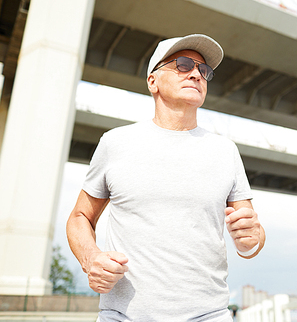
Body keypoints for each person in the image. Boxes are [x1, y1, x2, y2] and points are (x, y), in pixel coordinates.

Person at [66, 34, 265, 322]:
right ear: (153, 81)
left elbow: (252, 237)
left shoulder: (226, 151)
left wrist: (252, 239)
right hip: (123, 316)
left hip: (208, 316)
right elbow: (80, 217)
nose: (196, 74)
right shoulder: (115, 143)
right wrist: (91, 258)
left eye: (204, 70)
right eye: (183, 65)